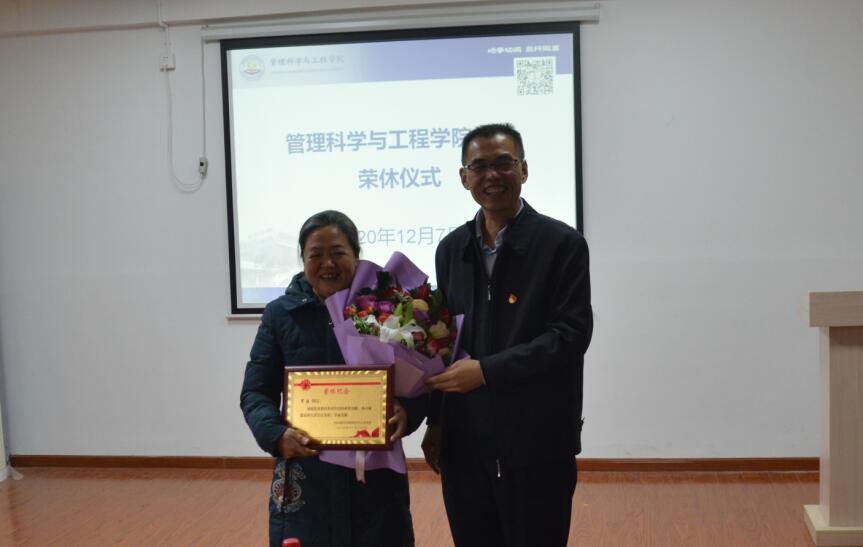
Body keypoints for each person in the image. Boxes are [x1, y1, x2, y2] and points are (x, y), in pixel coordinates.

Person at [424, 124, 593, 547]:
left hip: (536, 443)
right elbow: (443, 343)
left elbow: (570, 335)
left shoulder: (561, 244)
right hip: (466, 444)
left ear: (524, 170)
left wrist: (487, 371)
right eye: (479, 166)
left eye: (503, 163)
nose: (492, 175)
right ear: (464, 177)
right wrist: (436, 422)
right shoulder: (451, 249)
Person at [241, 210, 425, 547]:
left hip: (375, 477)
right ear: (303, 260)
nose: (328, 263)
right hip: (307, 474)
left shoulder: (387, 309)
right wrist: (276, 435)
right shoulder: (280, 315)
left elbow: (422, 377)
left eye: (338, 253)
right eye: (316, 255)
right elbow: (255, 391)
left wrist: (408, 411)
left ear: (356, 255)